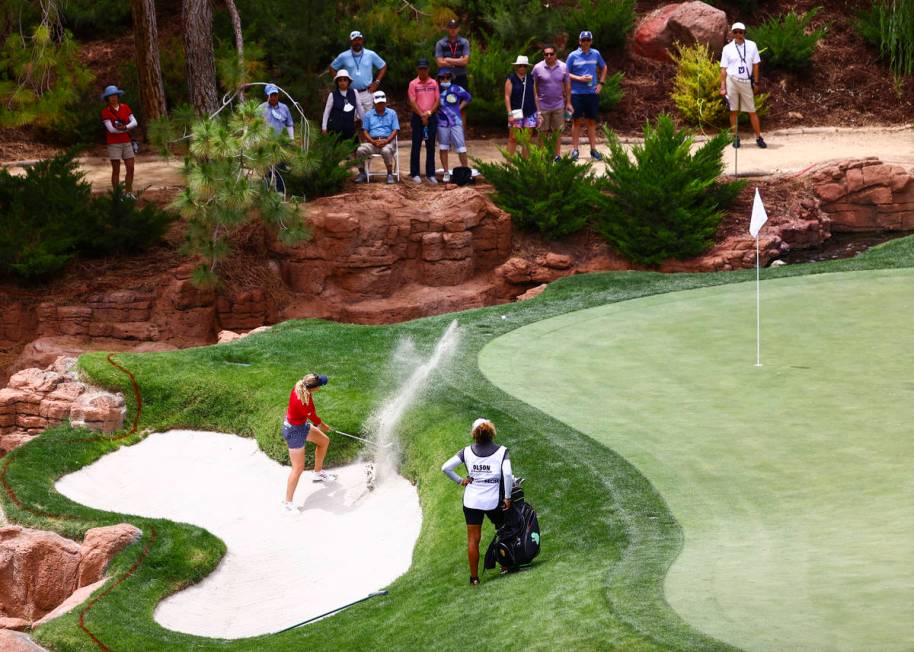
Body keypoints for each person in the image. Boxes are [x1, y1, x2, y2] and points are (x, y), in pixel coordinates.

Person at [441, 418, 514, 585]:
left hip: (472, 501)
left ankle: (474, 579)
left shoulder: (466, 452)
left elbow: (445, 468)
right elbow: (508, 475)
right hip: (493, 500)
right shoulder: (502, 451)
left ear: (474, 434)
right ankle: (505, 566)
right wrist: (508, 497)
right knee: (503, 530)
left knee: (473, 540)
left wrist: (460, 481)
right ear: (491, 432)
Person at [282, 373, 335, 512]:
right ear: (313, 388)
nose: (321, 386)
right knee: (298, 468)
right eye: (320, 385)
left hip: (301, 425)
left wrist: (320, 425)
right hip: (294, 432)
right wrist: (324, 426)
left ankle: (318, 473)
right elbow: (316, 420)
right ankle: (288, 503)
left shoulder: (301, 386)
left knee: (324, 441)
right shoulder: (304, 403)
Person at [720, 22, 766, 149]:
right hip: (732, 80)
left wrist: (756, 82)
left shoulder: (752, 45)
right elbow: (723, 68)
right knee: (733, 110)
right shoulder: (727, 48)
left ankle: (758, 137)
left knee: (752, 110)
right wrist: (723, 86)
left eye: (740, 32)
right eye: (735, 32)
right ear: (732, 33)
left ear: (744, 33)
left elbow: (756, 64)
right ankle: (735, 137)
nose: (738, 34)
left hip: (746, 81)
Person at [566, 30, 606, 161]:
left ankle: (593, 150)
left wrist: (601, 83)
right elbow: (565, 73)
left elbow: (604, 67)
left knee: (591, 122)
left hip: (592, 93)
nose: (586, 42)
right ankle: (575, 150)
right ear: (579, 42)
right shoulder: (572, 55)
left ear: (591, 41)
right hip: (576, 93)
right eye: (583, 40)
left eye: (588, 40)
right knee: (576, 121)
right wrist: (579, 78)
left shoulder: (596, 54)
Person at [329, 31, 387, 114]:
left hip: (367, 92)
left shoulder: (370, 54)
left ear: (362, 40)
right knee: (351, 118)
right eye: (355, 40)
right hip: (350, 92)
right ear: (350, 41)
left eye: (359, 39)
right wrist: (339, 83)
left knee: (368, 119)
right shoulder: (344, 56)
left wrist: (377, 82)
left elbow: (383, 66)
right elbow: (332, 68)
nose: (357, 42)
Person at [532, 45, 572, 161]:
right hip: (543, 106)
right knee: (542, 133)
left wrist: (568, 102)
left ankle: (557, 155)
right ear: (543, 55)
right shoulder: (537, 68)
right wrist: (536, 105)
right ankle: (540, 156)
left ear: (555, 55)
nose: (549, 56)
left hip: (558, 105)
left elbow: (568, 86)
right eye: (546, 54)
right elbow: (533, 87)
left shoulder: (564, 67)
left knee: (557, 132)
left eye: (551, 54)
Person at [100, 85, 137, 197]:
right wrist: (126, 127)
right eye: (110, 96)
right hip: (113, 144)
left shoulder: (125, 107)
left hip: (127, 142)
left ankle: (129, 192)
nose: (113, 98)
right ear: (107, 98)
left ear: (118, 96)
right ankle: (117, 195)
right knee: (116, 170)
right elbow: (111, 129)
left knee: (130, 168)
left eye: (115, 95)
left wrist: (124, 128)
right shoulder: (105, 112)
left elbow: (135, 122)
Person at [407, 58, 440, 184]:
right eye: (420, 68)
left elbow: (437, 100)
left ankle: (430, 174)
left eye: (425, 68)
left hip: (431, 117)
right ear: (417, 69)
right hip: (417, 117)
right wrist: (421, 115)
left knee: (430, 146)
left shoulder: (434, 83)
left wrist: (429, 113)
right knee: (416, 146)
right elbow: (412, 101)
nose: (423, 71)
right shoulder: (413, 84)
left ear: (428, 69)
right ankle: (415, 173)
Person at [355, 91, 399, 184]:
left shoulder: (392, 113)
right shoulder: (368, 115)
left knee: (386, 151)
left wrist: (387, 140)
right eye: (378, 103)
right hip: (373, 142)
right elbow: (365, 131)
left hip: (388, 142)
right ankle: (362, 173)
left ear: (385, 102)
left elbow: (395, 130)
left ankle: (390, 174)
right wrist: (372, 141)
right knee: (360, 150)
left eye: (382, 102)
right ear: (374, 102)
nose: (380, 104)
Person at [436, 69, 471, 183]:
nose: (445, 80)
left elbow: (468, 98)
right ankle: (446, 172)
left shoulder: (456, 88)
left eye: (447, 77)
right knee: (443, 148)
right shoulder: (436, 91)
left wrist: (459, 108)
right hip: (442, 123)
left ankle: (466, 172)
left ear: (451, 78)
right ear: (439, 79)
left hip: (455, 122)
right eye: (442, 78)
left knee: (461, 147)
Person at [259, 83, 295, 193]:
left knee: (280, 168)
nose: (273, 97)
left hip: (281, 143)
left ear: (278, 95)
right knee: (266, 168)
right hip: (266, 143)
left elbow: (289, 124)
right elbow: (253, 126)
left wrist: (291, 139)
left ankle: (280, 192)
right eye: (271, 95)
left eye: (275, 95)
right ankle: (266, 192)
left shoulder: (284, 108)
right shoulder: (261, 109)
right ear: (267, 96)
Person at [435, 19, 471, 123]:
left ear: (458, 29)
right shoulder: (440, 43)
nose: (453, 30)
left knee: (462, 106)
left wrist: (448, 59)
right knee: (443, 104)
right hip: (445, 78)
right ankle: (444, 133)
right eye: (450, 28)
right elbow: (439, 63)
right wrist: (458, 61)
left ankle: (461, 136)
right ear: (447, 29)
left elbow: (465, 61)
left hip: (460, 77)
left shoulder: (464, 42)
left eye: (455, 28)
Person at [504, 55, 537, 157]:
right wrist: (509, 113)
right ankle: (508, 165)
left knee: (527, 140)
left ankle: (525, 166)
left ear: (527, 67)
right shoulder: (511, 78)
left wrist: (539, 112)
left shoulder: (531, 79)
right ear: (516, 66)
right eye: (520, 66)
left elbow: (536, 95)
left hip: (530, 112)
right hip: (515, 113)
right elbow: (507, 97)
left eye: (524, 66)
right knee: (513, 138)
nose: (522, 68)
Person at [322, 69, 365, 142]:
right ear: (337, 82)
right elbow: (326, 112)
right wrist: (324, 127)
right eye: (340, 80)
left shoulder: (354, 92)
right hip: (335, 129)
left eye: (345, 80)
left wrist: (365, 124)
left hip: (350, 128)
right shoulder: (332, 95)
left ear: (348, 81)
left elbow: (360, 109)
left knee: (353, 149)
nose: (342, 82)